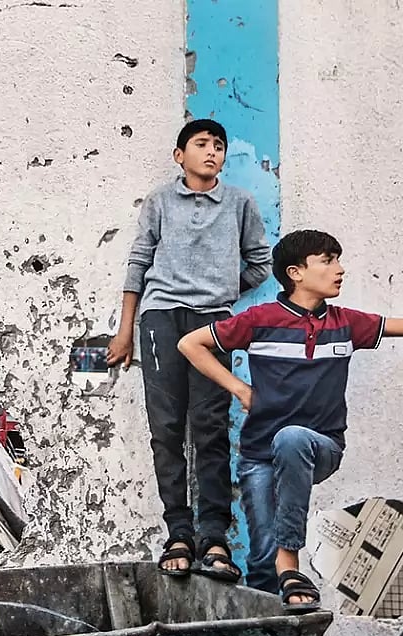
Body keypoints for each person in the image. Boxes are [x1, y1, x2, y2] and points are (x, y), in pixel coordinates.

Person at [176, 229, 403, 611]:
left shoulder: (345, 324)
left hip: (321, 448)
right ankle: (274, 632)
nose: (340, 269)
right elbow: (190, 344)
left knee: (292, 441)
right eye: (328, 261)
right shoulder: (260, 320)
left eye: (338, 259)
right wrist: (240, 389)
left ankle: (289, 562)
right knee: (260, 561)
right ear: (295, 273)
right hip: (259, 457)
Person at [107, 118, 271, 582]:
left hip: (213, 325)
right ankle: (178, 533)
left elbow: (260, 263)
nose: (212, 151)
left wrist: (221, 292)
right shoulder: (160, 201)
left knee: (210, 427)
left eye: (219, 145)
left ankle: (214, 537)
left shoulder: (239, 203)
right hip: (160, 320)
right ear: (180, 156)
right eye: (201, 144)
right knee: (166, 428)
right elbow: (139, 261)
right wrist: (125, 331)